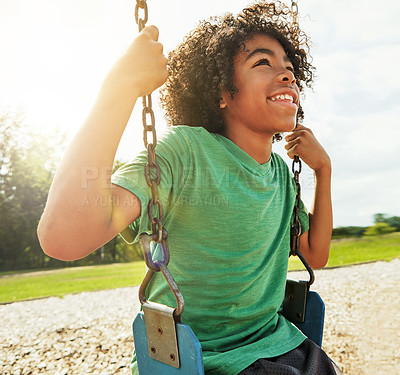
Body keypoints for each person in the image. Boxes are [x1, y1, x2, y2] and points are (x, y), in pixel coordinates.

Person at [38, 1, 339, 374]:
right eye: (263, 63)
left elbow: (316, 253)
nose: (287, 76)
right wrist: (119, 89)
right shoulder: (186, 152)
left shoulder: (280, 172)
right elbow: (64, 237)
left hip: (279, 344)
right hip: (200, 359)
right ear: (222, 93)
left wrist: (323, 171)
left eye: (290, 69)